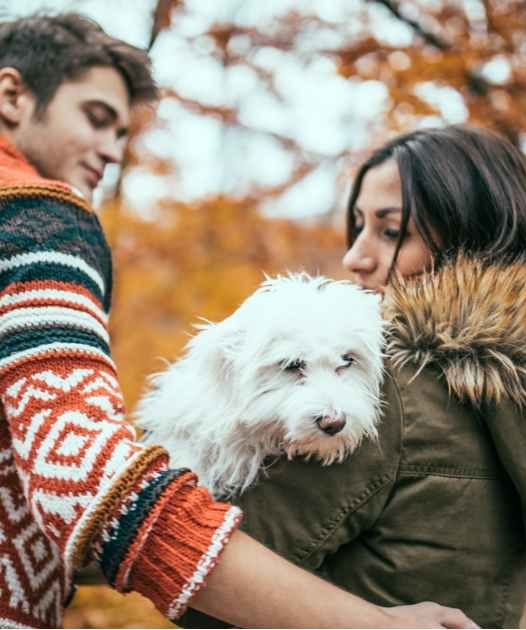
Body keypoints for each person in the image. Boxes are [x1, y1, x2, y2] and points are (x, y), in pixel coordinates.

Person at [0, 13, 475, 629]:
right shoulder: (36, 218)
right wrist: (367, 624)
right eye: (96, 117)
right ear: (12, 95)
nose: (114, 150)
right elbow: (83, 471)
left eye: (122, 129)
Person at [179, 125, 526, 629]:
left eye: (391, 231)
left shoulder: (395, 392)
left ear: (469, 236)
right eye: (357, 226)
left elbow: (202, 583)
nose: (355, 257)